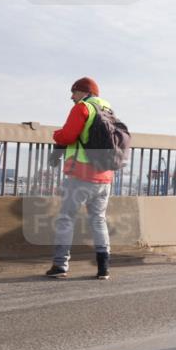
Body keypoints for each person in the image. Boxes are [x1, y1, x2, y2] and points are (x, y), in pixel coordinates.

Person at [45, 77, 114, 279]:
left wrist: (56, 136)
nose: (71, 97)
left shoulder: (83, 108)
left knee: (66, 218)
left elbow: (67, 136)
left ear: (84, 92)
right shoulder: (107, 108)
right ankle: (104, 268)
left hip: (81, 175)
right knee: (99, 220)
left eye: (74, 92)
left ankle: (60, 265)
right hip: (105, 175)